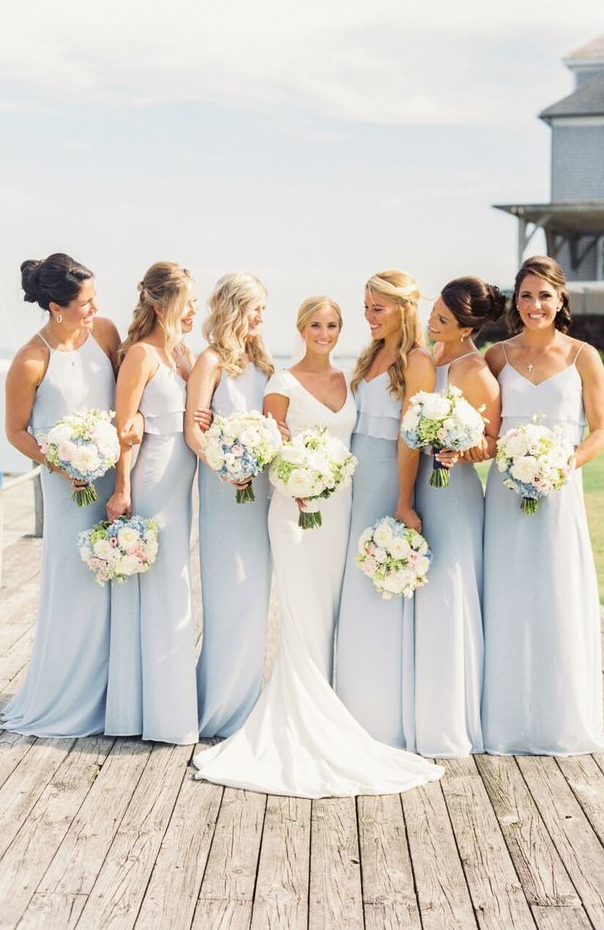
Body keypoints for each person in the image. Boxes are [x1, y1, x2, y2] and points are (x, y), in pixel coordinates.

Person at [193, 296, 443, 796]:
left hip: (341, 510)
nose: (324, 333)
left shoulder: (348, 379)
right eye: (315, 325)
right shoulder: (281, 382)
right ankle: (302, 716)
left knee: (330, 611)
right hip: (295, 509)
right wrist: (297, 478)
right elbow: (272, 443)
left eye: (332, 325)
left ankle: (329, 704)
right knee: (302, 613)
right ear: (301, 327)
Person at [482, 255, 604, 755]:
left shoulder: (583, 356)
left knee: (557, 593)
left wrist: (564, 464)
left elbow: (602, 429)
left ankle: (558, 718)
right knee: (507, 594)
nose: (535, 305)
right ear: (516, 302)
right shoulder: (498, 356)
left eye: (544, 296)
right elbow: (487, 432)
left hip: (560, 493)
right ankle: (505, 721)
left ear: (561, 301)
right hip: (506, 495)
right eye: (526, 295)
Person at [1, 252, 120, 736]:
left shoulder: (107, 334)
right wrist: (61, 463)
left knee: (120, 575)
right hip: (69, 485)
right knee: (76, 583)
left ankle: (118, 691)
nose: (94, 309)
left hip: (113, 479)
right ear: (56, 306)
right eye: (85, 303)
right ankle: (68, 693)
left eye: (94, 299)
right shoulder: (31, 359)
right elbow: (16, 431)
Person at [334, 269, 434, 749]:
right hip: (354, 476)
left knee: (376, 585)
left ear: (403, 309)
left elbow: (409, 435)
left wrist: (403, 499)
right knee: (352, 584)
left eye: (378, 308)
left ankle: (379, 715)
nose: (368, 317)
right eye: (366, 307)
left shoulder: (417, 360)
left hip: (387, 475)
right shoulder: (372, 354)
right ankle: (349, 702)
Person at [105, 263, 200, 744]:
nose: (195, 312)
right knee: (165, 583)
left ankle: (170, 701)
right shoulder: (141, 355)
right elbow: (125, 430)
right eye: (188, 304)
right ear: (161, 305)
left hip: (185, 478)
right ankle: (162, 713)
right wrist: (123, 490)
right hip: (156, 475)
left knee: (175, 579)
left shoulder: (182, 352)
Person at [412, 276, 503, 756]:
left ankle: (448, 719)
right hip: (423, 486)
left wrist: (457, 450)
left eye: (443, 320)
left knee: (449, 595)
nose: (432, 322)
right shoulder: (432, 356)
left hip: (455, 494)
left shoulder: (473, 371)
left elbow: (490, 442)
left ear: (466, 329)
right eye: (433, 312)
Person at [185, 272, 274, 738]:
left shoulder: (262, 361)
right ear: (234, 309)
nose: (261, 317)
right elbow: (193, 430)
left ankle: (249, 701)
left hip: (259, 493)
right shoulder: (210, 361)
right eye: (255, 308)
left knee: (256, 596)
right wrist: (223, 463)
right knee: (228, 593)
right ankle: (219, 706)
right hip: (224, 490)